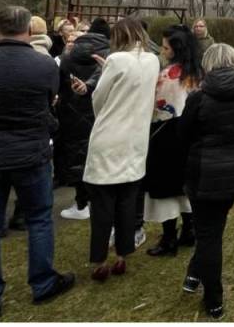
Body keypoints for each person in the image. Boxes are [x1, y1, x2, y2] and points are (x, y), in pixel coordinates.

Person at [0, 6, 75, 320]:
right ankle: (43, 281)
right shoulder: (44, 66)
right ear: (28, 30)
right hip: (30, 153)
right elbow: (51, 99)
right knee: (38, 219)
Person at [179, 44, 234, 319]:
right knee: (211, 227)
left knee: (209, 235)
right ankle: (194, 272)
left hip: (208, 177)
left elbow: (184, 136)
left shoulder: (199, 99)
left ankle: (213, 299)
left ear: (208, 65)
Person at [82, 17, 160, 282]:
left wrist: (106, 112)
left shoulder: (116, 60)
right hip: (137, 138)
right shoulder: (152, 60)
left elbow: (98, 98)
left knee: (103, 202)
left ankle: (100, 259)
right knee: (128, 200)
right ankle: (122, 255)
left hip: (110, 137)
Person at [145, 24, 203, 256]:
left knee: (166, 190)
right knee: (185, 186)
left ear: (175, 49)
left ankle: (169, 238)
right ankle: (189, 230)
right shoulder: (197, 72)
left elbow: (156, 107)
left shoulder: (167, 76)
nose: (162, 49)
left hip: (166, 135)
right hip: (191, 135)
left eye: (166, 46)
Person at [55, 17, 110, 220]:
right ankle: (96, 199)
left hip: (72, 111)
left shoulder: (68, 57)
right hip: (99, 113)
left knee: (77, 156)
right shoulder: (109, 57)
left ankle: (81, 203)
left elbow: (60, 83)